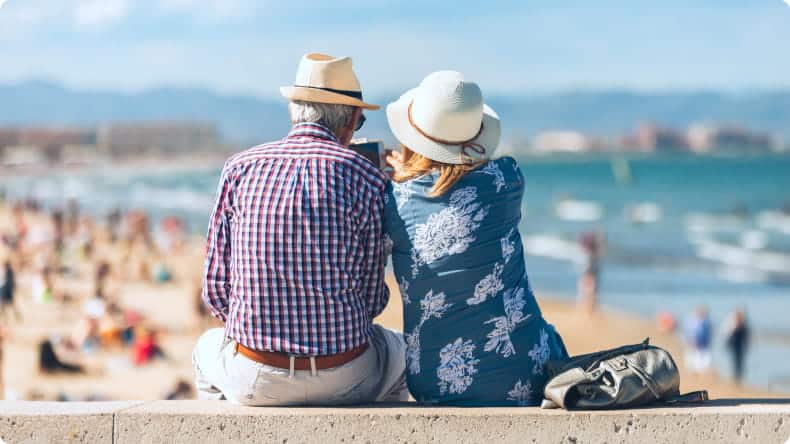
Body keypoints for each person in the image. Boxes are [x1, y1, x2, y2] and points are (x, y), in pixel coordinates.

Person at [193, 53, 407, 406]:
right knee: (400, 354)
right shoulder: (367, 176)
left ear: (294, 110)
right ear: (352, 119)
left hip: (257, 378)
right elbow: (372, 301)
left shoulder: (239, 167)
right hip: (346, 375)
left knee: (205, 349)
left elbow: (216, 293)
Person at [383, 71, 567, 406]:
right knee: (549, 334)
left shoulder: (393, 198)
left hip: (436, 382)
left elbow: (424, 194)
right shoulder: (507, 179)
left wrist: (400, 176)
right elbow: (459, 181)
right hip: (526, 372)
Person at [577, 231, 602, 314]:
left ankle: (585, 306)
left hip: (588, 270)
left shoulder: (587, 253)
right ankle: (589, 307)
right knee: (591, 290)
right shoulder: (593, 253)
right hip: (591, 270)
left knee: (586, 288)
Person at [683, 306, 713, 374]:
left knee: (703, 358)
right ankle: (692, 371)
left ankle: (701, 371)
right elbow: (689, 332)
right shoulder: (692, 321)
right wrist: (690, 340)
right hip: (693, 343)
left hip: (704, 344)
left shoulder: (706, 322)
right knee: (693, 357)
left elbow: (709, 333)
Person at [725, 308, 750, 383]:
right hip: (735, 347)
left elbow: (746, 337)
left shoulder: (743, 326)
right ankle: (736, 377)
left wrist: (747, 345)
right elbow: (729, 336)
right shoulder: (734, 326)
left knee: (740, 363)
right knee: (735, 362)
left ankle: (738, 377)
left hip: (740, 347)